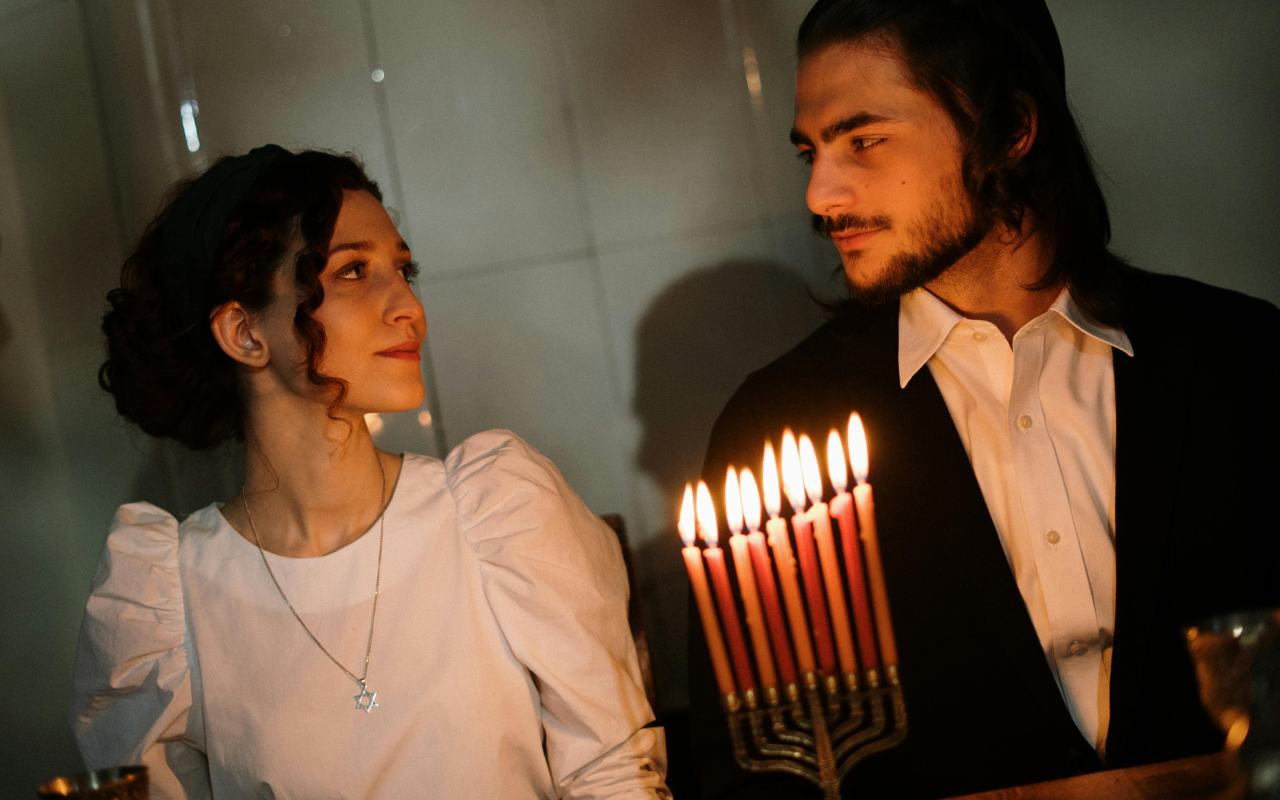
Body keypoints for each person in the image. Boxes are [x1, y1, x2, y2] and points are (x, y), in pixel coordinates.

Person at [692, 0, 1280, 797]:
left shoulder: (1242, 358)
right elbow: (747, 770)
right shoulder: (782, 429)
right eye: (811, 153)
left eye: (863, 140)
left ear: (1010, 130)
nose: (820, 196)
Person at [71, 145, 670, 799]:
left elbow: (614, 776)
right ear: (244, 332)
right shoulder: (165, 603)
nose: (408, 305)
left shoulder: (495, 513)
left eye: (403, 269)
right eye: (354, 271)